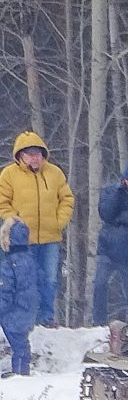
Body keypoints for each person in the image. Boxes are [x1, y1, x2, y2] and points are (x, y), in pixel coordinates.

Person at [0, 132, 74, 325]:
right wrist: (15, 222)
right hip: (22, 241)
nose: (35, 158)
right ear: (20, 156)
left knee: (49, 279)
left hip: (51, 239)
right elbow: (2, 203)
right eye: (30, 154)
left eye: (38, 153)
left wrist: (59, 221)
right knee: (25, 281)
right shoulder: (8, 175)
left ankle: (46, 318)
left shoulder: (55, 173)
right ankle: (26, 318)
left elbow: (67, 199)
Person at [94, 160, 128, 321]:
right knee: (100, 285)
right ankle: (99, 323)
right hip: (108, 249)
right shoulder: (112, 191)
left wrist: (123, 216)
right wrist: (118, 194)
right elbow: (106, 214)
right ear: (123, 180)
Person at [0, 219, 36, 376]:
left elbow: (5, 291)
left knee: (17, 345)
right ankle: (24, 370)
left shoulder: (8, 264)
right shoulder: (30, 259)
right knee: (22, 341)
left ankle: (17, 374)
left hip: (13, 311)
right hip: (28, 309)